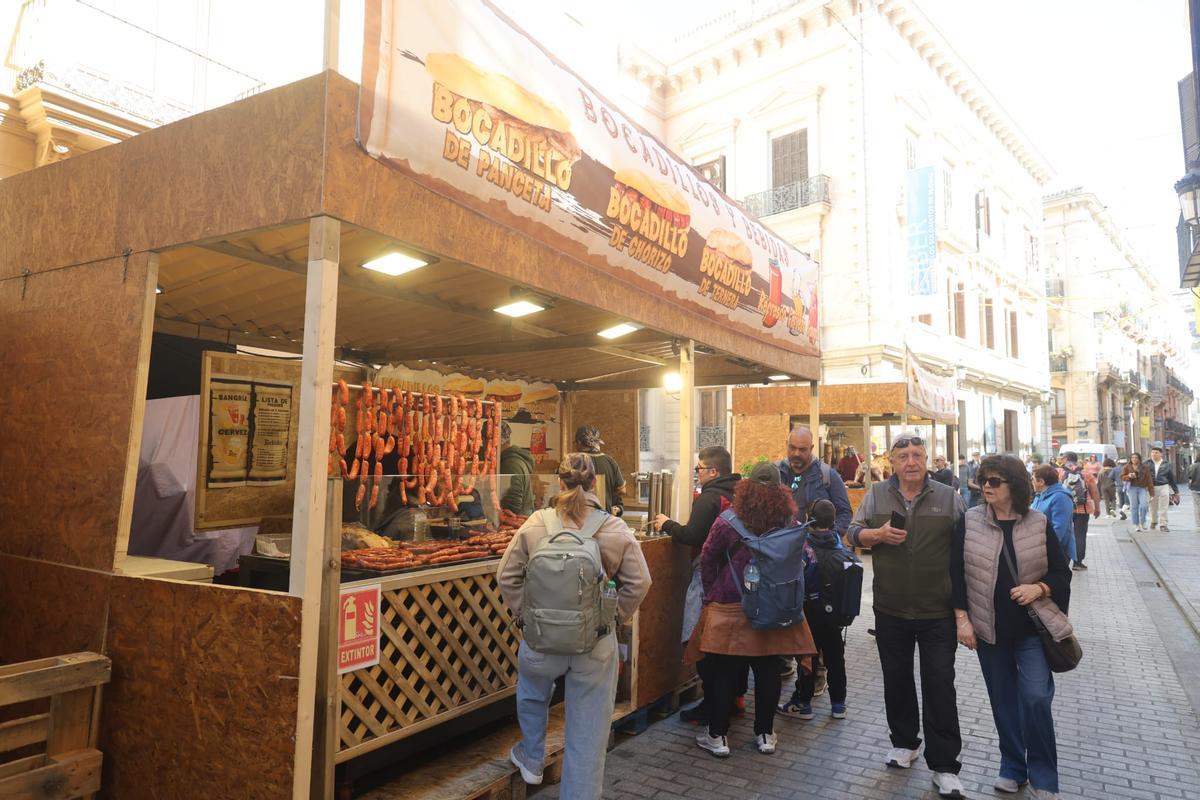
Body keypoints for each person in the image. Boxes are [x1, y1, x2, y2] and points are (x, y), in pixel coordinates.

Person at [498, 453, 651, 797]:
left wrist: (528, 616)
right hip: (593, 645)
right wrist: (611, 618)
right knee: (588, 733)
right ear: (596, 483)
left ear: (559, 482)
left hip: (540, 641)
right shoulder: (614, 528)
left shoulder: (536, 522)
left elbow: (506, 575)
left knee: (532, 692)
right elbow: (640, 582)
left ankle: (532, 759)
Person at [847, 432, 966, 799]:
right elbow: (851, 534)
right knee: (896, 680)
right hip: (890, 608)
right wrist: (876, 534)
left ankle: (945, 765)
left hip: (938, 612)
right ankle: (904, 743)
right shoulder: (877, 495)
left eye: (917, 454)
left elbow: (965, 552)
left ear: (927, 459)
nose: (911, 462)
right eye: (903, 456)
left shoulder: (950, 498)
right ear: (892, 462)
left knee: (939, 685)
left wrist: (965, 611)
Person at [953, 455, 1072, 800]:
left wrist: (1039, 588)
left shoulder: (1037, 522)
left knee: (1035, 698)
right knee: (1003, 701)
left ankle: (1044, 776)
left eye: (995, 481)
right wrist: (963, 620)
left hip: (1031, 631)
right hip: (989, 630)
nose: (986, 487)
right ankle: (1012, 767)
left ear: (1014, 486)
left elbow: (1061, 573)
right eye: (983, 480)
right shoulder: (970, 520)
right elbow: (956, 574)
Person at [689, 462, 817, 757]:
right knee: (768, 670)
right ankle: (765, 734)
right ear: (780, 491)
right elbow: (802, 561)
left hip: (730, 605)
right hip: (773, 606)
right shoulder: (791, 523)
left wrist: (712, 594)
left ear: (745, 489)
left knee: (724, 673)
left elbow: (707, 559)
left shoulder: (727, 521)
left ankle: (718, 737)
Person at [653, 445, 741, 725]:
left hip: (708, 577)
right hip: (734, 578)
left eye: (699, 469)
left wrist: (667, 524)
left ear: (713, 471)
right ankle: (734, 697)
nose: (697, 474)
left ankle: (713, 706)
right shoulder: (738, 494)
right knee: (727, 646)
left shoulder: (709, 499)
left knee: (700, 640)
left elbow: (692, 535)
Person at [776, 425, 852, 689]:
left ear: (812, 449)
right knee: (785, 610)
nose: (796, 454)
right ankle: (784, 660)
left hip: (816, 565)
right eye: (792, 448)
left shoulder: (827, 476)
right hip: (783, 560)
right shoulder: (778, 472)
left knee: (814, 618)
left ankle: (815, 672)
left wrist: (826, 539)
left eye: (803, 449)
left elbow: (844, 512)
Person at [778, 499, 849, 721]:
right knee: (836, 658)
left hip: (809, 613)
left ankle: (802, 703)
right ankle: (839, 704)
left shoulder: (805, 545)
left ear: (810, 518)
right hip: (834, 614)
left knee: (808, 658)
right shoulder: (838, 542)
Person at [1059, 452, 1098, 571]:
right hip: (1083, 509)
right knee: (1080, 535)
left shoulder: (1058, 473)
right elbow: (1094, 492)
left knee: (1065, 534)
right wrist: (1098, 507)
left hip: (1064, 509)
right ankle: (1078, 562)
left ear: (1066, 459)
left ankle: (1063, 562)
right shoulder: (1086, 473)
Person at [574, 425, 625, 516]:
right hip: (605, 518)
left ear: (579, 442)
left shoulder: (573, 462)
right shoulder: (610, 461)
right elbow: (622, 490)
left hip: (579, 518)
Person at [1030, 466, 1076, 564]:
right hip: (1040, 547)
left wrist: (1044, 549)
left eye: (1033, 479)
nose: (1031, 482)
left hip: (1054, 550)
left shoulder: (1060, 497)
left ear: (1041, 482)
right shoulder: (1041, 495)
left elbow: (1059, 529)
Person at [499, 422, 536, 516]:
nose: (482, 443)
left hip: (517, 523)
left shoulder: (510, 464)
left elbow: (513, 504)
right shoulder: (512, 460)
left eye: (484, 438)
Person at [1147, 446, 1179, 532]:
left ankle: (1163, 524)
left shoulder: (1166, 464)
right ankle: (1153, 521)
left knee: (1164, 506)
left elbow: (1171, 478)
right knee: (1152, 506)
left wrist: (1176, 492)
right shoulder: (1147, 463)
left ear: (1161, 454)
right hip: (1151, 487)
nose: (1154, 454)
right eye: (1152, 452)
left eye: (1156, 452)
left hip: (1163, 486)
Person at [1121, 453, 1153, 532]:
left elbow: (1149, 480)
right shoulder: (1127, 467)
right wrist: (1128, 476)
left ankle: (1143, 521)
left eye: (1136, 457)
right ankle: (1136, 524)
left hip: (1142, 488)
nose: (1134, 459)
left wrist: (1152, 493)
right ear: (1130, 459)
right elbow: (1122, 477)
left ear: (1139, 459)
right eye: (1132, 457)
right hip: (1132, 488)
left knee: (1144, 505)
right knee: (1134, 507)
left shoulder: (1145, 467)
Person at [1188, 458, 1200, 530]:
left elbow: (1189, 476)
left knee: (1197, 506)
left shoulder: (1192, 466)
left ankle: (1198, 523)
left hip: (1194, 488)